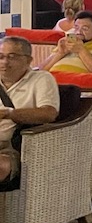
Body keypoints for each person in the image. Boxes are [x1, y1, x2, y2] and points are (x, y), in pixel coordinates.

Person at [0, 36, 59, 184]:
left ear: (28, 60)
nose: (5, 62)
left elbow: (48, 113)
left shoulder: (41, 79)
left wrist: (9, 113)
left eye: (12, 57)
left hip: (13, 146)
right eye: (1, 57)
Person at [41, 11, 92, 75]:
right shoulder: (65, 43)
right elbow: (41, 71)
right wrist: (60, 54)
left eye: (84, 29)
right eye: (76, 27)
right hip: (52, 82)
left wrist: (81, 50)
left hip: (75, 84)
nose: (79, 32)